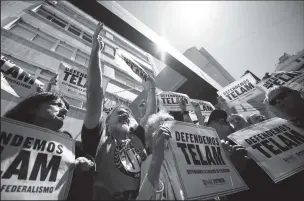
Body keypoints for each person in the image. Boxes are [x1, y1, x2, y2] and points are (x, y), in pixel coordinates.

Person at [81, 22, 157, 200]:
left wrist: (152, 89)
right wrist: (95, 51)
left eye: (128, 113)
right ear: (106, 122)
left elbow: (151, 116)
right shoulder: (98, 137)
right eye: (118, 112)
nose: (125, 113)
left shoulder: (136, 137)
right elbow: (94, 93)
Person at [3, 91, 95, 200]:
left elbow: (88, 162)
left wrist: (85, 163)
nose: (65, 110)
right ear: (33, 108)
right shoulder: (5, 129)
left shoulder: (67, 143)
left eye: (65, 108)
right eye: (57, 104)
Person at [137, 110, 184, 200]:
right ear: (152, 135)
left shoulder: (182, 160)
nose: (171, 130)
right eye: (166, 126)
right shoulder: (150, 162)